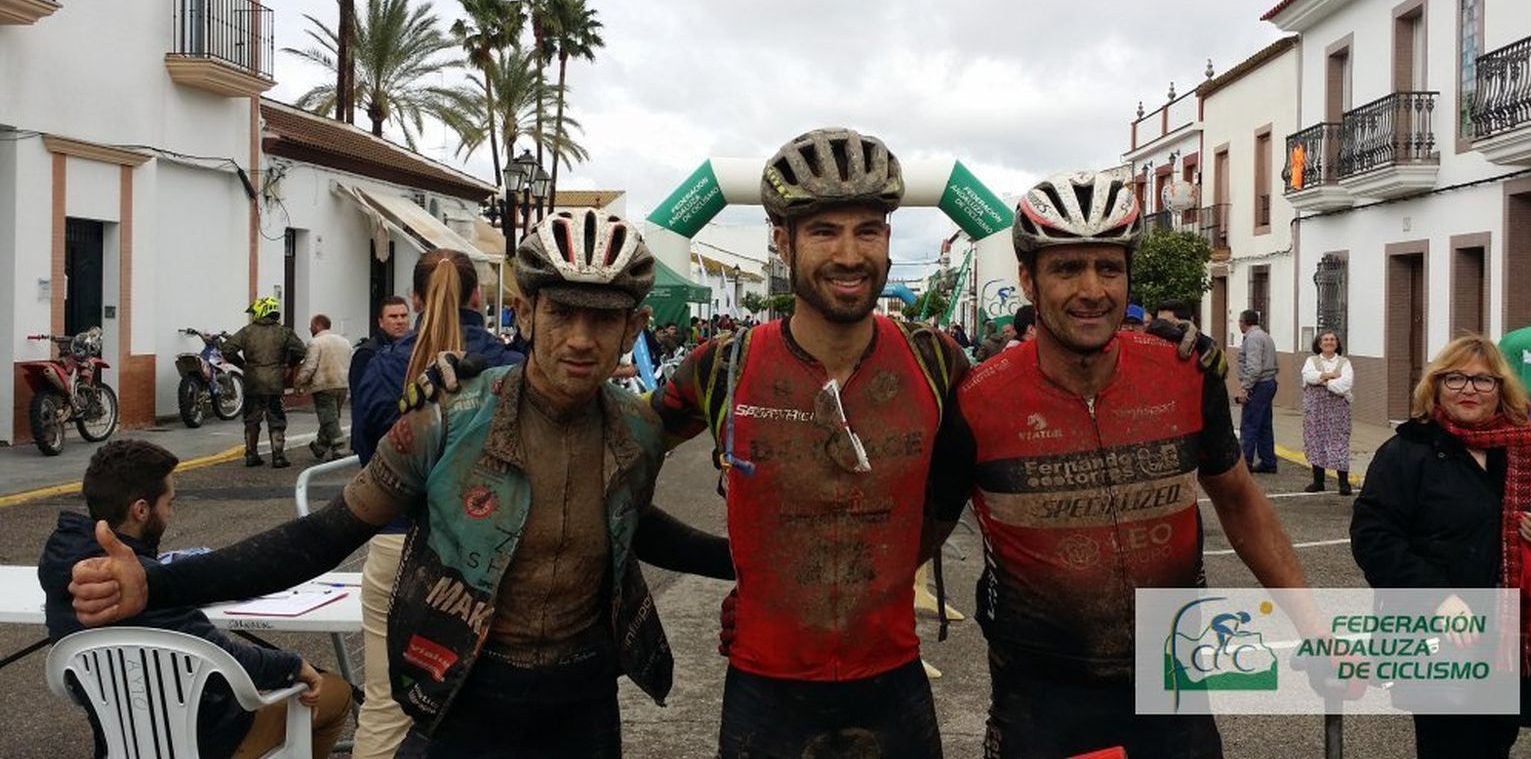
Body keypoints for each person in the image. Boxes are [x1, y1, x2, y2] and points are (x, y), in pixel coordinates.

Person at [68, 210, 733, 758]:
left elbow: (631, 523)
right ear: (526, 315)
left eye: (603, 318)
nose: (581, 339)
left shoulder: (636, 433)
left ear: (634, 328)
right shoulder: (446, 419)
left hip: (584, 713)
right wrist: (159, 583)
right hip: (461, 704)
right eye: (562, 313)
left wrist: (746, 563)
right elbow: (323, 535)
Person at [927, 168, 1308, 759]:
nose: (1092, 289)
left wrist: (1313, 624)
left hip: (1174, 675)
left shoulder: (1184, 374)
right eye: (1066, 268)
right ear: (1028, 280)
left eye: (1108, 267)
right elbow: (916, 540)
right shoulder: (976, 399)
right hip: (1042, 694)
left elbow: (1238, 500)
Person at [650, 127, 970, 758]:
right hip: (765, 692)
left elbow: (1029, 430)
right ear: (782, 240)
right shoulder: (722, 368)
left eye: (869, 230)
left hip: (894, 682)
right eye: (824, 231)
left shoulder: (938, 363)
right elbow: (601, 447)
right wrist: (492, 382)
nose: (849, 254)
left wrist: (1177, 362)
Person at [1351, 334, 1531, 759]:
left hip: (1511, 636)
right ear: (1436, 385)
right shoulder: (1409, 451)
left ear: (1501, 389)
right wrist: (1437, 599)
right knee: (1448, 744)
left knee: (1495, 743)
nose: (1468, 390)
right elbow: (1374, 537)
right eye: (1455, 378)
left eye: (1482, 381)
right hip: (1436, 634)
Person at [41, 440, 352, 758]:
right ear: (141, 510)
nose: (170, 513)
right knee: (336, 692)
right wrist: (294, 665)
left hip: (118, 742)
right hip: (206, 741)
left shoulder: (61, 566)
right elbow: (223, 661)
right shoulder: (143, 584)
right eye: (169, 503)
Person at [349, 250, 521, 759]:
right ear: (477, 296)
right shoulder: (510, 366)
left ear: (417, 299)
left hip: (395, 545)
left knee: (383, 709)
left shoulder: (384, 367)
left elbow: (369, 458)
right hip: (485, 556)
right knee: (491, 709)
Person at [223, 296, 307, 468]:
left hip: (252, 381)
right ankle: (278, 456)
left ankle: (251, 455)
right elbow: (300, 350)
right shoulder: (284, 332)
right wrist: (289, 365)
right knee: (276, 418)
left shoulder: (247, 331)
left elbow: (227, 349)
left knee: (251, 419)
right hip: (275, 382)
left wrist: (243, 365)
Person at [1301, 330, 1354, 495]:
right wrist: (1331, 376)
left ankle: (1343, 483)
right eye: (1325, 340)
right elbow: (1308, 376)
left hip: (1338, 412)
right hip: (1315, 410)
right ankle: (1318, 482)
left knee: (1339, 443)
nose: (1329, 342)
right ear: (1319, 343)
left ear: (1337, 343)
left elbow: (1344, 385)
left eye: (1332, 340)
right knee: (1316, 441)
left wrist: (1323, 381)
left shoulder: (1345, 363)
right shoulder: (1311, 360)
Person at [295, 314, 353, 461]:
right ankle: (320, 446)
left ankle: (339, 447)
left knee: (328, 418)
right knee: (332, 416)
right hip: (342, 384)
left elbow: (310, 365)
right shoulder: (344, 342)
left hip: (324, 384)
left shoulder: (316, 342)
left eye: (311, 325)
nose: (310, 328)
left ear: (318, 326)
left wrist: (300, 381)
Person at [1236, 308, 1280, 473]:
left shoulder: (1253, 338)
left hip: (1259, 384)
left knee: (1249, 424)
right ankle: (1268, 461)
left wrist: (1246, 387)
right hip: (1268, 382)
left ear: (1244, 322)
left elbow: (1254, 366)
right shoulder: (1265, 336)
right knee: (1264, 425)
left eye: (1240, 321)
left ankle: (1245, 462)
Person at [350, 295, 410, 399]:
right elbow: (360, 397)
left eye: (404, 316)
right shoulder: (367, 353)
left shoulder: (414, 348)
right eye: (393, 316)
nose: (400, 321)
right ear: (381, 322)